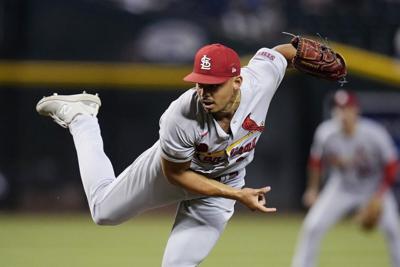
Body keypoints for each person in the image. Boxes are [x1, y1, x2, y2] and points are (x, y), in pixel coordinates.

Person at [35, 41, 328, 266]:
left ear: (237, 81)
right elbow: (176, 174)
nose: (205, 92)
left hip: (221, 185)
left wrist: (302, 48)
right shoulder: (180, 115)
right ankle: (82, 117)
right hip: (173, 173)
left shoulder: (259, 81)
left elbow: (279, 53)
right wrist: (237, 195)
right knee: (103, 212)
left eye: (214, 85)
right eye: (200, 83)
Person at [291, 90, 400, 267]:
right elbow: (316, 162)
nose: (342, 113)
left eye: (346, 108)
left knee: (393, 230)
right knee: (313, 226)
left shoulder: (374, 133)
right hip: (342, 186)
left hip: (374, 188)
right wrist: (313, 189)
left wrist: (380, 195)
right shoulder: (326, 133)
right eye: (338, 109)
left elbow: (392, 164)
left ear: (356, 110)